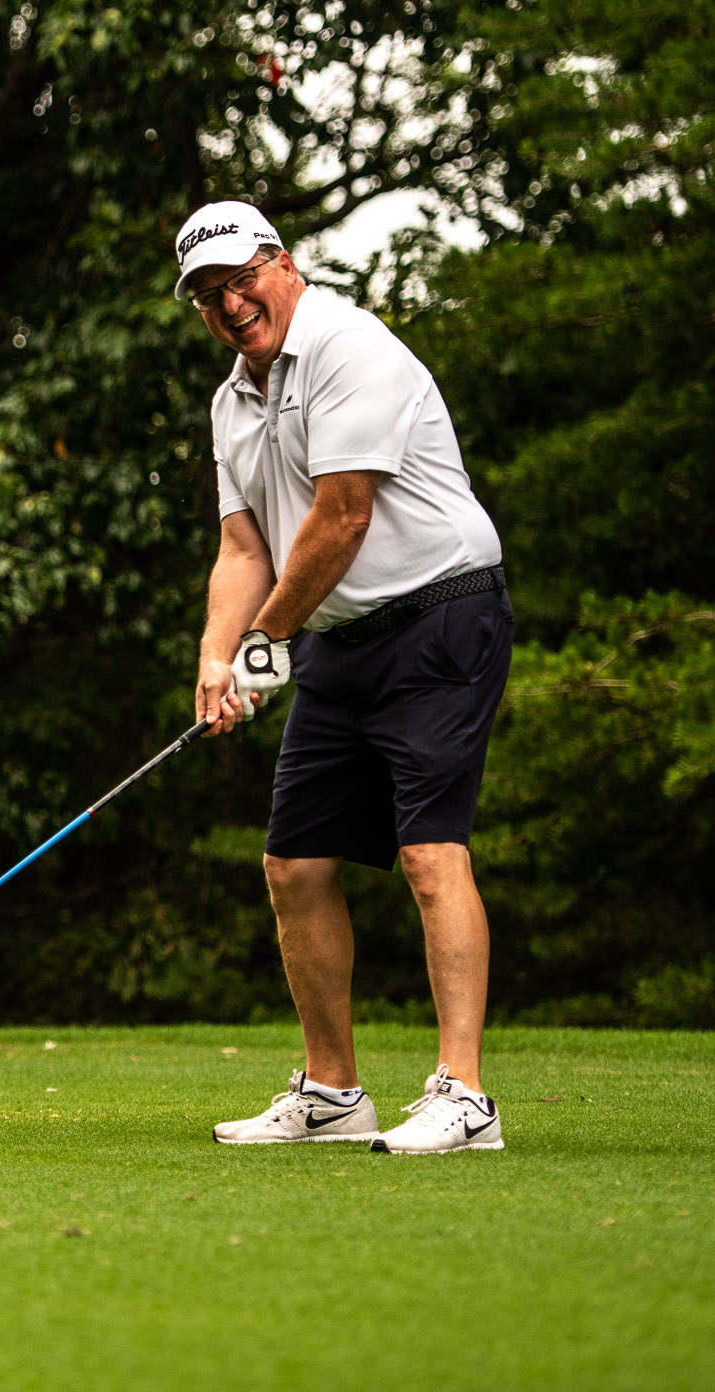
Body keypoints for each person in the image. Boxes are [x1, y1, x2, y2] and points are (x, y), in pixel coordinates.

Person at [174, 203, 512, 1155]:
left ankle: (464, 1098)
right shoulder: (231, 402)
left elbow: (345, 514)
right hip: (337, 635)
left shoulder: (349, 346)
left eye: (242, 278)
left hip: (442, 612)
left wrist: (266, 641)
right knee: (295, 863)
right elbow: (244, 547)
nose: (230, 304)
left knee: (429, 852)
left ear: (283, 264)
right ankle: (331, 1092)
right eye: (208, 294)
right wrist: (218, 655)